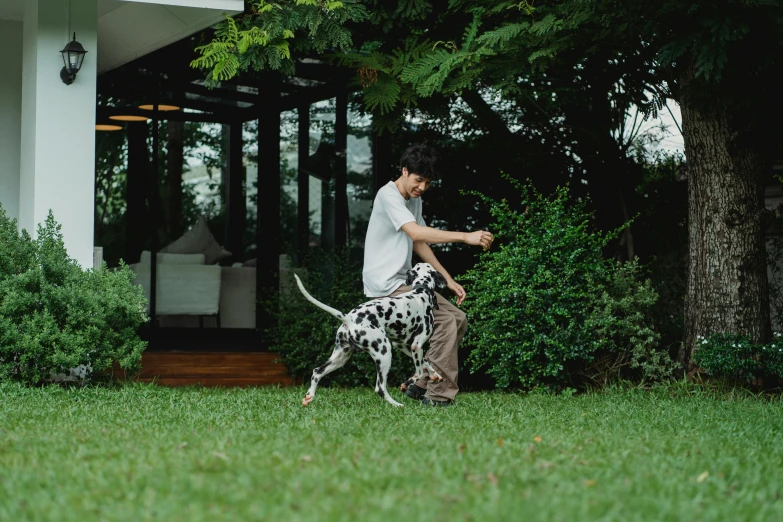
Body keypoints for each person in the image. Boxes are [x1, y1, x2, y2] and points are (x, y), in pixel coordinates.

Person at [362, 144, 493, 406]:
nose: (421, 187)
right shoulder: (388, 195)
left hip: (403, 282)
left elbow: (420, 244)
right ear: (404, 171)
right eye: (418, 180)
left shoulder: (415, 200)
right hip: (386, 284)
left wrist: (447, 280)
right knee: (445, 321)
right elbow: (417, 233)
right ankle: (438, 395)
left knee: (457, 318)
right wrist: (466, 236)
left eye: (427, 183)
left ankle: (421, 381)